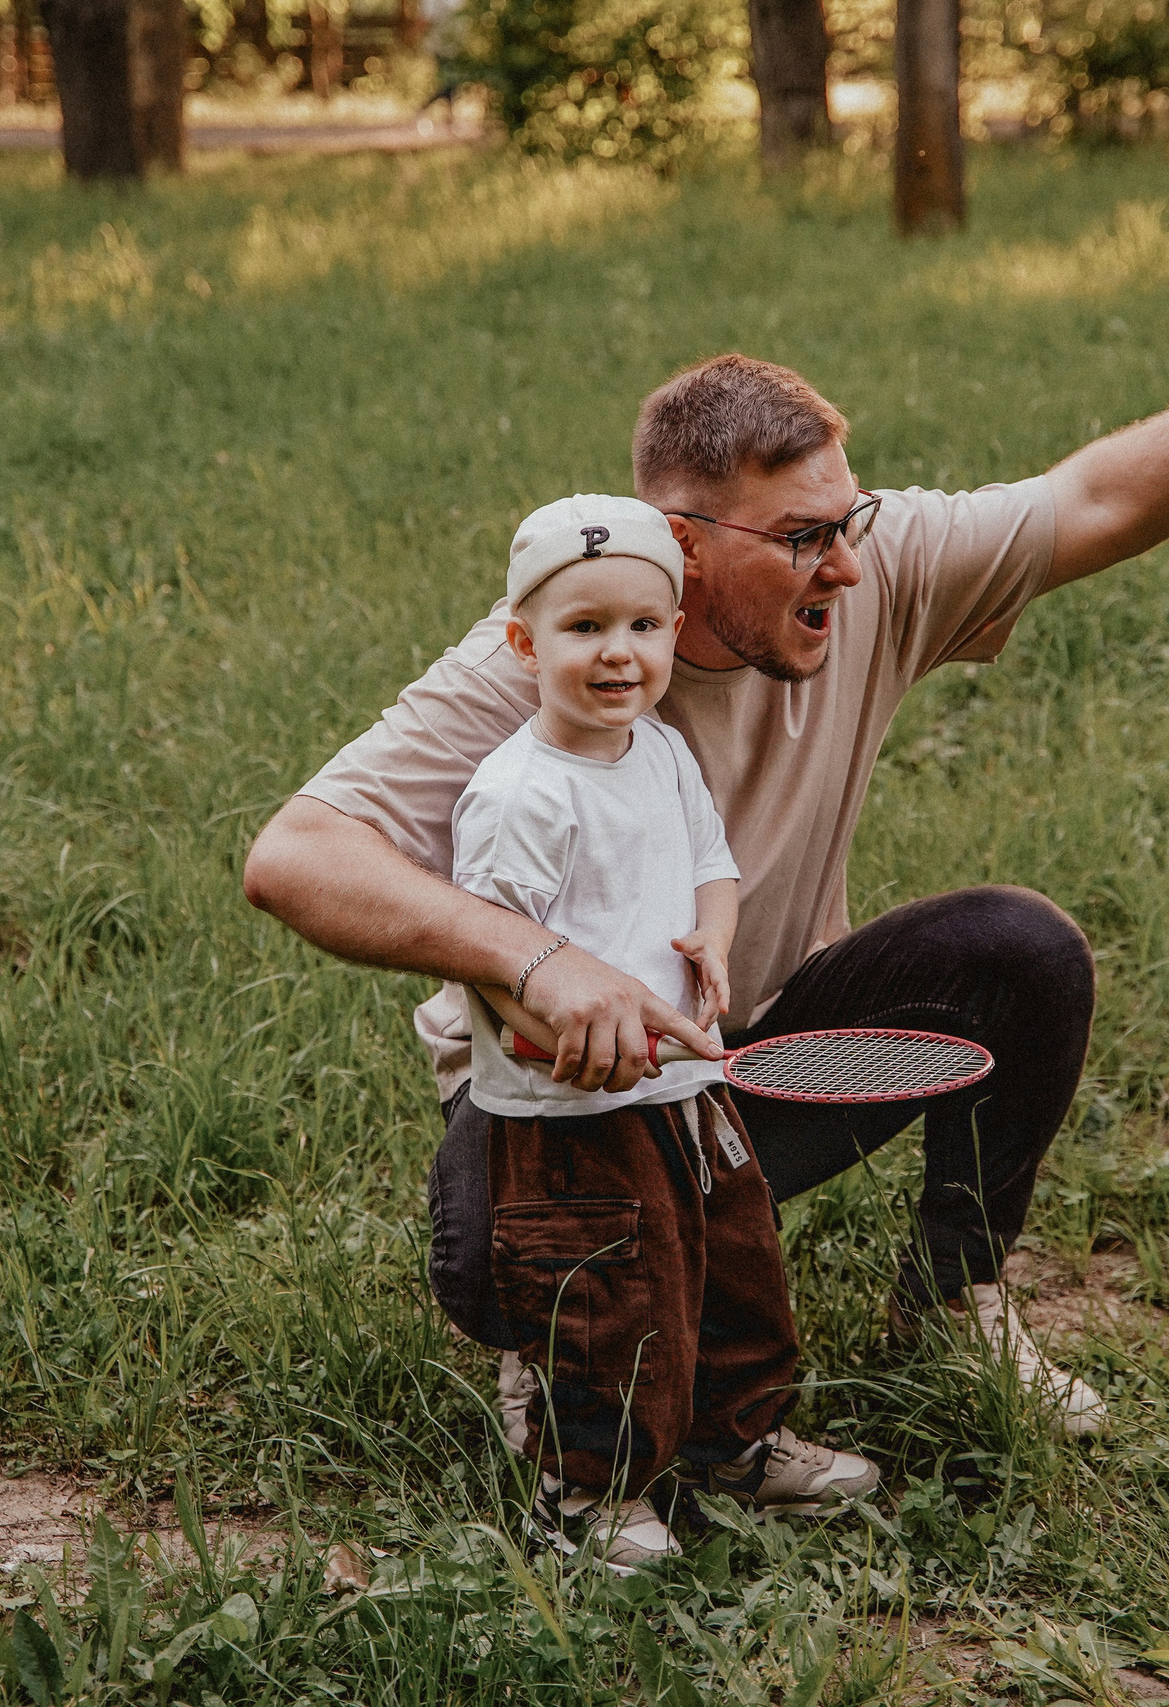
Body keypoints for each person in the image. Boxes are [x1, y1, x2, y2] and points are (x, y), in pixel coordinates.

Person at [244, 178, 1169, 1447]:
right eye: (801, 537)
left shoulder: (865, 565)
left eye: (851, 522)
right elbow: (295, 857)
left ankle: (953, 1297)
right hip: (563, 1111)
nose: (843, 563)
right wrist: (537, 966)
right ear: (681, 544)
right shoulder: (545, 662)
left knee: (1018, 948)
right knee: (555, 1316)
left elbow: (1094, 498)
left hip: (760, 1062)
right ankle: (557, 1321)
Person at [455, 493, 880, 1570]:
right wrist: (558, 1031)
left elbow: (710, 866)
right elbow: (489, 949)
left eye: (643, 627)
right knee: (607, 1296)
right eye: (583, 628)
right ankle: (585, 1490)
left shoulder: (656, 751)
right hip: (573, 1112)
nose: (618, 655)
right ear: (523, 641)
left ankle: (735, 1442)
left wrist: (712, 942)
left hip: (689, 1086)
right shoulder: (518, 794)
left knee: (734, 1265)